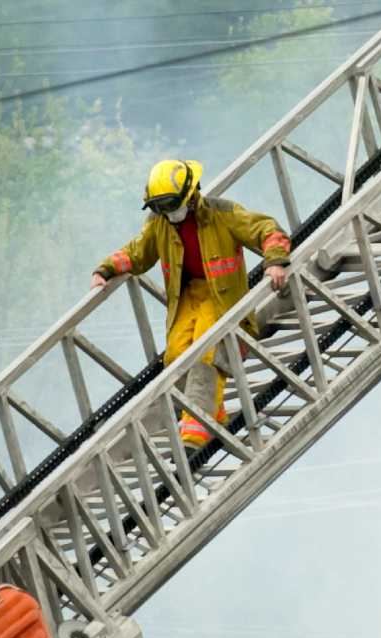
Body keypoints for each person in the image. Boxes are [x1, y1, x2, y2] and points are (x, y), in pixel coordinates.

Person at [89, 158, 291, 452]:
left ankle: (195, 434)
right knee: (176, 357)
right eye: (160, 208)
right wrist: (105, 269)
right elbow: (137, 253)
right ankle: (215, 414)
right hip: (188, 298)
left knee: (206, 353)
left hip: (223, 302)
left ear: (192, 194)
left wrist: (275, 261)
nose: (167, 214)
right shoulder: (159, 224)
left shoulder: (223, 213)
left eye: (171, 206)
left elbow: (267, 230)